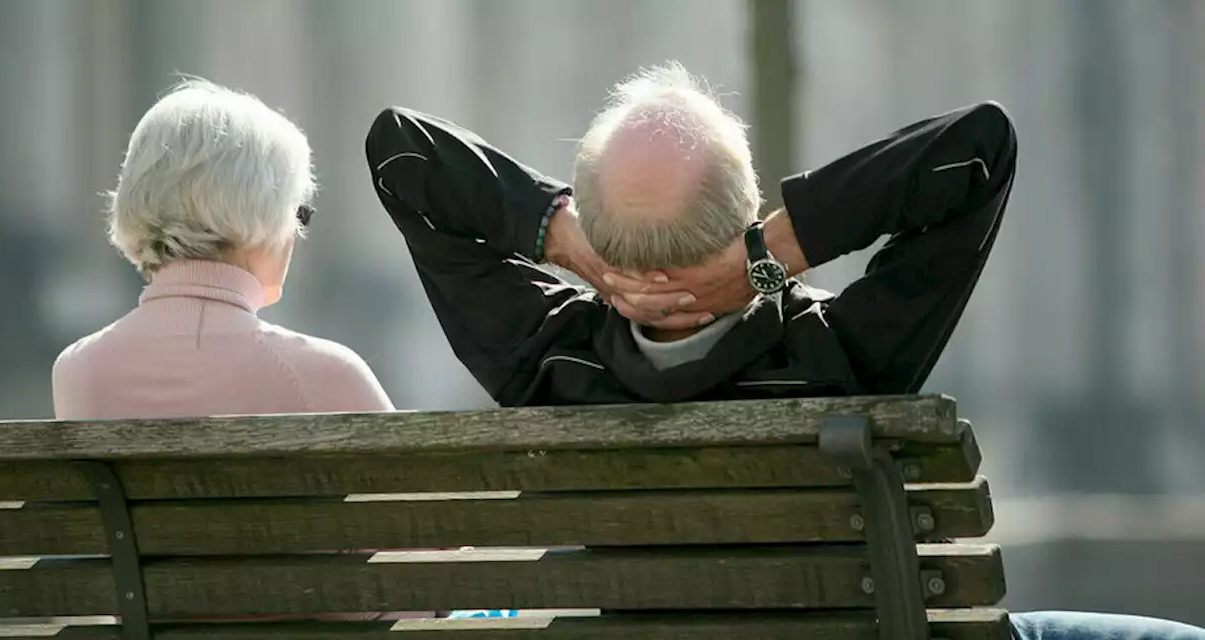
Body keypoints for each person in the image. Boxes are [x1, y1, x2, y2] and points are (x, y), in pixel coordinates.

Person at [366, 63, 1205, 639]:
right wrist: (768, 261)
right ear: (749, 206)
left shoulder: (544, 358)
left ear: (598, 231)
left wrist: (569, 244)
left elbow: (402, 151)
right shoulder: (838, 353)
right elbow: (979, 149)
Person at [53, 79, 394, 420]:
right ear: (264, 209)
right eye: (299, 212)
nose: (297, 233)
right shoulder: (325, 374)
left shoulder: (77, 369)